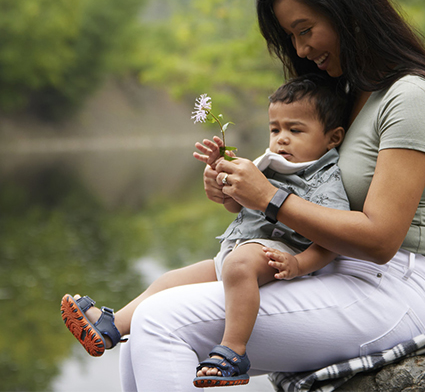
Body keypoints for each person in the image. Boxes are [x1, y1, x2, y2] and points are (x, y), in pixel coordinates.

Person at [117, 0, 425, 391]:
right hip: (315, 268)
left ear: (347, 10)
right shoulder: (341, 97)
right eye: (291, 37)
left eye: (305, 30)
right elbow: (305, 193)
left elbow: (380, 239)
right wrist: (238, 192)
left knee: (162, 319)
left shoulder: (412, 96)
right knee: (140, 323)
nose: (300, 50)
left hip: (384, 291)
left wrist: (270, 199)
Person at [60, 74, 352, 387]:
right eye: (275, 129)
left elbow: (333, 240)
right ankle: (111, 327)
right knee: (169, 281)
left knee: (240, 266)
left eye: (295, 130)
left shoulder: (326, 181)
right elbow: (240, 207)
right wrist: (221, 186)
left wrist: (299, 265)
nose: (281, 139)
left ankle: (233, 350)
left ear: (333, 138)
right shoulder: (269, 164)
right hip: (239, 250)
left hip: (281, 252)